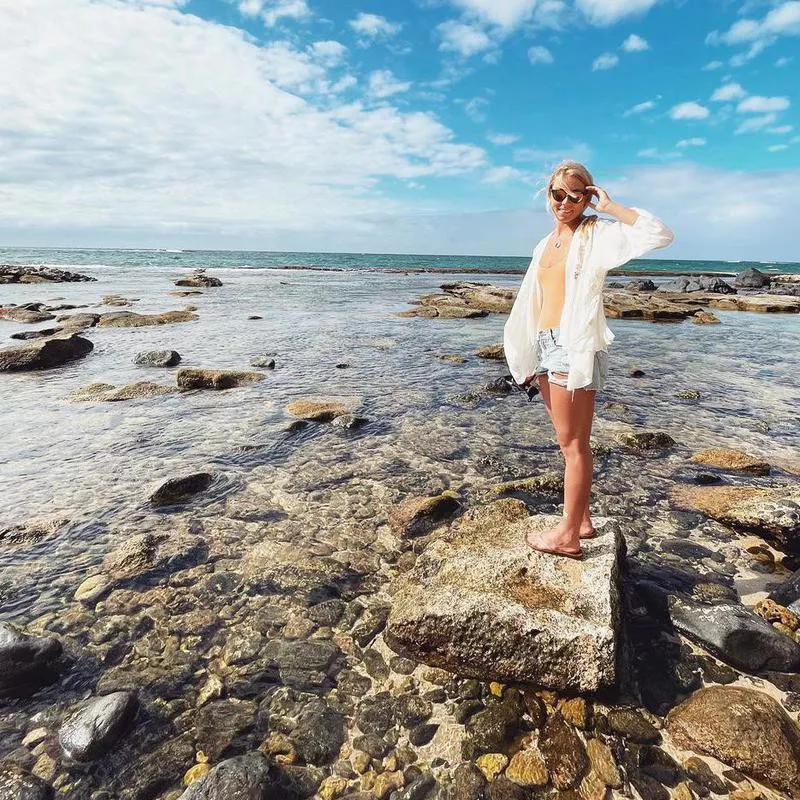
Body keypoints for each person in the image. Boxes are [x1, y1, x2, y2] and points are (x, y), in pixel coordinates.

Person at [503, 161, 674, 559]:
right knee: (567, 441)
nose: (565, 202)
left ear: (587, 197)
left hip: (573, 343)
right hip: (544, 344)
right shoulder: (543, 244)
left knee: (574, 444)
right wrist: (527, 351)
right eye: (557, 194)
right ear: (548, 195)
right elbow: (533, 300)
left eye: (576, 195)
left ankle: (567, 536)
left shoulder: (596, 234)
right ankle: (581, 519)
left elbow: (659, 234)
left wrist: (611, 207)